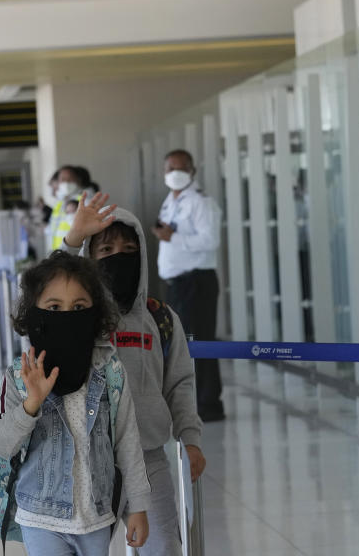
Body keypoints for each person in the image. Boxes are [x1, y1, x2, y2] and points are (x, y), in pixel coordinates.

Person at [63, 193, 206, 555]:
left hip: (148, 458)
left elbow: (180, 384)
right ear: (89, 260)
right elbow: (41, 294)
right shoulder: (78, 314)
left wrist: (190, 438)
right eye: (106, 251)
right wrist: (73, 240)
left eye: (129, 250)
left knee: (164, 549)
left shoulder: (160, 318)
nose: (118, 258)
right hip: (88, 461)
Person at [0, 251, 151, 555]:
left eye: (78, 307)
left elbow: (128, 442)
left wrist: (138, 506)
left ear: (95, 313)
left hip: (97, 517)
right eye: (54, 307)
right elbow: (0, 444)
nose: (67, 315)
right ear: (34, 314)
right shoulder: (19, 377)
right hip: (40, 517)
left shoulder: (110, 373)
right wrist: (30, 405)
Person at [151, 150, 224, 422]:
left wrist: (173, 237)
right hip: (177, 283)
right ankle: (192, 403)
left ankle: (209, 404)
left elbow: (210, 240)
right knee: (183, 345)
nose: (175, 173)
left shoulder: (201, 202)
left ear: (193, 170)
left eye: (181, 168)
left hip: (196, 281)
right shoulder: (170, 201)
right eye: (171, 168)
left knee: (200, 342)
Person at [46, 166, 96, 253]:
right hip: (58, 252)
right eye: (62, 179)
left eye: (70, 179)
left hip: (76, 253)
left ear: (78, 180)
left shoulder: (85, 200)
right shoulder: (60, 203)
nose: (66, 182)